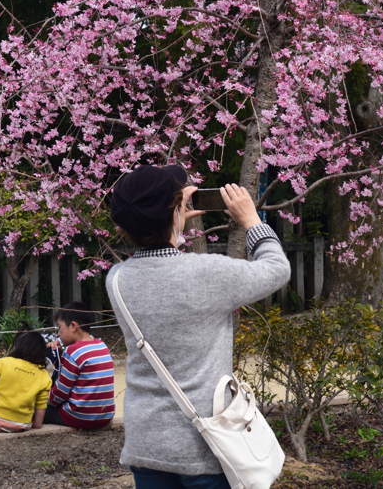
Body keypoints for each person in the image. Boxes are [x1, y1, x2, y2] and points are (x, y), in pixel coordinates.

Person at [105, 165, 290, 489]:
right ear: (175, 211)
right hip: (207, 445)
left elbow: (160, 270)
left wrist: (171, 223)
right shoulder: (207, 273)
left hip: (146, 443)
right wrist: (252, 221)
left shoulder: (117, 279)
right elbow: (277, 269)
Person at [44, 301, 116, 428]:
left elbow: (60, 393)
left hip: (80, 416)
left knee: (34, 409)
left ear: (73, 326)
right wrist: (60, 356)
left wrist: (43, 400)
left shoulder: (73, 351)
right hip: (105, 416)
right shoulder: (101, 345)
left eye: (60, 327)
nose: (58, 333)